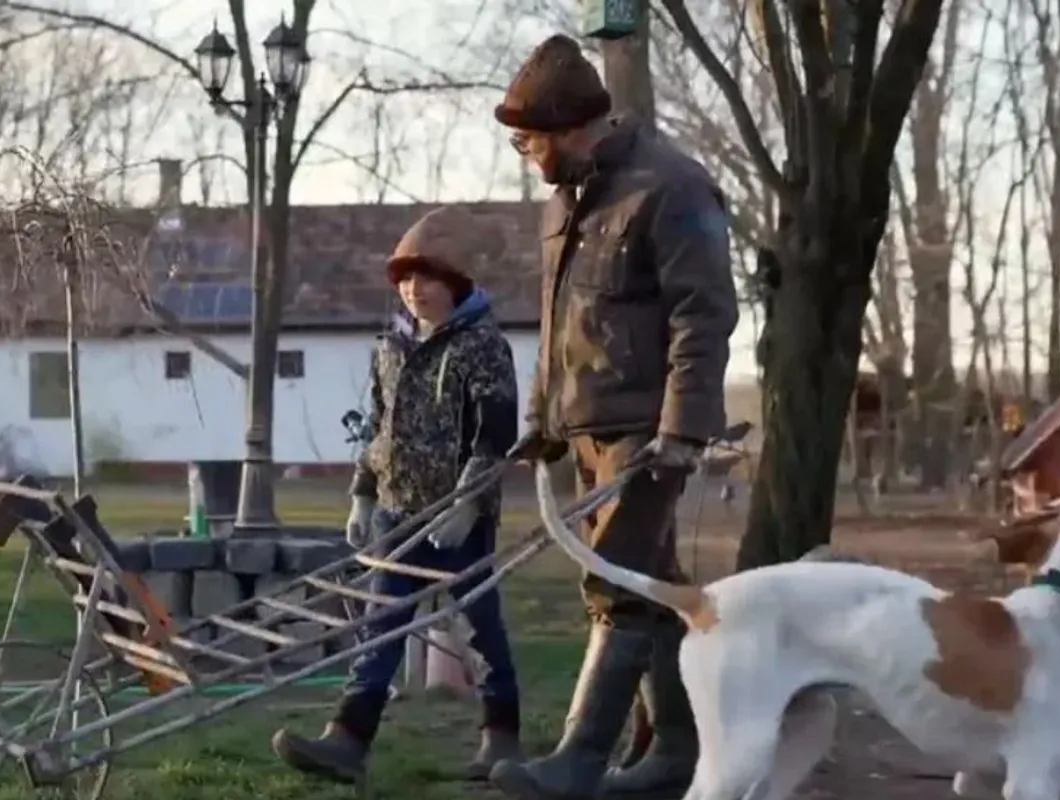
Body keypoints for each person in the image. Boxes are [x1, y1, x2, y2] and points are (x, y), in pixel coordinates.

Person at [485, 34, 740, 800]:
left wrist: (683, 430)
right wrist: (541, 418)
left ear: (567, 127)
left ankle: (578, 761)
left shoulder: (672, 187)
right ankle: (676, 756)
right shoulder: (566, 201)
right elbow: (556, 317)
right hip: (587, 428)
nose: (527, 156)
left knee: (618, 587)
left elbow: (705, 314)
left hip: (647, 431)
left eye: (529, 142)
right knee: (653, 588)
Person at [270, 206, 524, 785]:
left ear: (455, 282)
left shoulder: (482, 346)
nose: (415, 291)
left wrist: (468, 501)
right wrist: (362, 493)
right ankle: (347, 739)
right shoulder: (391, 346)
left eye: (428, 279)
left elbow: (496, 432)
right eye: (406, 281)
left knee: (480, 629)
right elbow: (379, 427)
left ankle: (501, 741)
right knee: (380, 626)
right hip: (395, 514)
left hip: (458, 517)